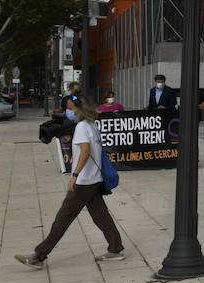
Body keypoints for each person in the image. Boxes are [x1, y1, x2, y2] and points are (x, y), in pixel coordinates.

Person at [16, 96, 126, 267]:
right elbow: (88, 150)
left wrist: (74, 175)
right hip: (94, 179)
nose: (70, 112)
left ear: (79, 109)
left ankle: (38, 256)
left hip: (83, 182)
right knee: (101, 216)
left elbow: (85, 151)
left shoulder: (82, 127)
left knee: (62, 219)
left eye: (71, 109)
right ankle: (115, 248)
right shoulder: (92, 125)